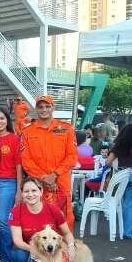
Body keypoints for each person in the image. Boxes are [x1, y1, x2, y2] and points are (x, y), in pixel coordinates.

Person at [9, 177, 76, 262]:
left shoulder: (53, 209)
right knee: (18, 255)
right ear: (22, 193)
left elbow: (67, 233)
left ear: (41, 192)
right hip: (29, 250)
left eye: (34, 191)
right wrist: (33, 250)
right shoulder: (16, 211)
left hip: (52, 252)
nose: (30, 194)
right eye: (26, 191)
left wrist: (71, 247)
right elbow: (17, 241)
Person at [20, 95, 78, 231]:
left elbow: (72, 156)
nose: (44, 109)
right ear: (36, 109)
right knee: (39, 223)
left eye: (47, 106)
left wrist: (54, 175)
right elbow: (26, 160)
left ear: (53, 108)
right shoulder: (27, 132)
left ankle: (65, 251)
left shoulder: (66, 129)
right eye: (40, 107)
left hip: (61, 185)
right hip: (38, 186)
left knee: (64, 222)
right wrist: (44, 178)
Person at [0, 107, 21, 262]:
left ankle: (9, 260)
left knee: (3, 221)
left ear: (7, 120)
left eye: (2, 118)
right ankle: (1, 257)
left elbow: (18, 165)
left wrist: (19, 190)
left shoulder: (14, 138)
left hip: (7, 183)